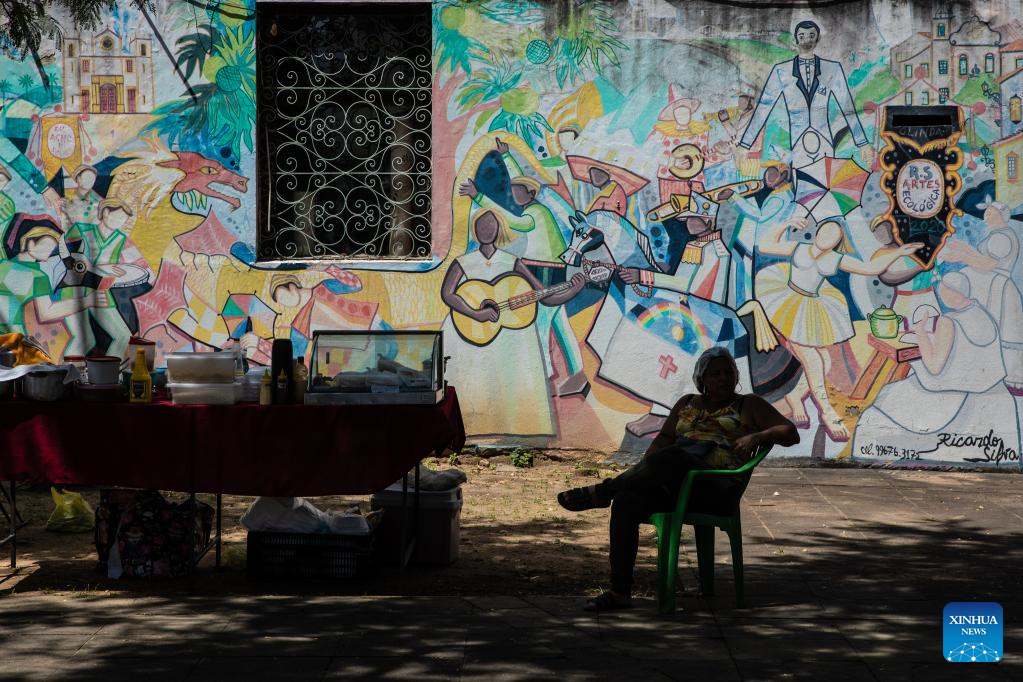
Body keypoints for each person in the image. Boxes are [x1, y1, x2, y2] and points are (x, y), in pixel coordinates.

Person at [556, 347, 799, 611]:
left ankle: (602, 492)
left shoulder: (748, 404)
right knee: (626, 500)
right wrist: (642, 473)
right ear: (702, 378)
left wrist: (757, 437)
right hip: (673, 486)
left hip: (715, 489)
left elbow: (790, 433)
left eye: (728, 372)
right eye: (715, 373)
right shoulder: (686, 403)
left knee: (675, 457)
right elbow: (662, 441)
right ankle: (620, 592)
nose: (723, 378)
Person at [755, 217, 922, 441]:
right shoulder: (798, 248)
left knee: (826, 362)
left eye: (834, 236)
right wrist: (785, 223)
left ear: (838, 242)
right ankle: (827, 412)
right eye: (825, 232)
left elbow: (870, 268)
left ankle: (795, 397)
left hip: (812, 306)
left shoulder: (834, 259)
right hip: (789, 305)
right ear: (817, 233)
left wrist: (899, 252)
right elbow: (766, 245)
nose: (828, 238)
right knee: (814, 361)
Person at [440, 209, 586, 436]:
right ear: (474, 229)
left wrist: (574, 289)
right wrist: (474, 313)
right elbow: (448, 294)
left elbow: (544, 295)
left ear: (499, 229)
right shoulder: (464, 262)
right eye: (481, 225)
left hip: (509, 336)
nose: (486, 229)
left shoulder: (512, 262)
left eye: (491, 225)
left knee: (510, 384)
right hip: (469, 334)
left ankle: (517, 431)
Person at [739, 20, 868, 158]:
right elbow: (764, 107)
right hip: (798, 143)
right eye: (802, 36)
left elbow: (847, 106)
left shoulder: (832, 69)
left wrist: (862, 143)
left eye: (811, 35)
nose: (807, 39)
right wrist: (745, 144)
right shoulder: (781, 70)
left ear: (818, 38)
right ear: (795, 39)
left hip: (824, 140)